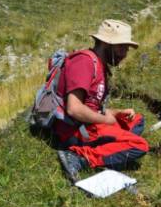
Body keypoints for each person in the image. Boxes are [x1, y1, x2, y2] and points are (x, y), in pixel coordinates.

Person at [54, 19, 149, 183]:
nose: (124, 54)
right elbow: (74, 109)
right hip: (75, 130)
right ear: (107, 44)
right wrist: (106, 119)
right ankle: (79, 157)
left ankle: (112, 147)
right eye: (121, 48)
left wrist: (115, 113)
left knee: (137, 120)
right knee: (140, 146)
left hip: (88, 123)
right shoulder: (84, 62)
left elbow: (92, 106)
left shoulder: (100, 65)